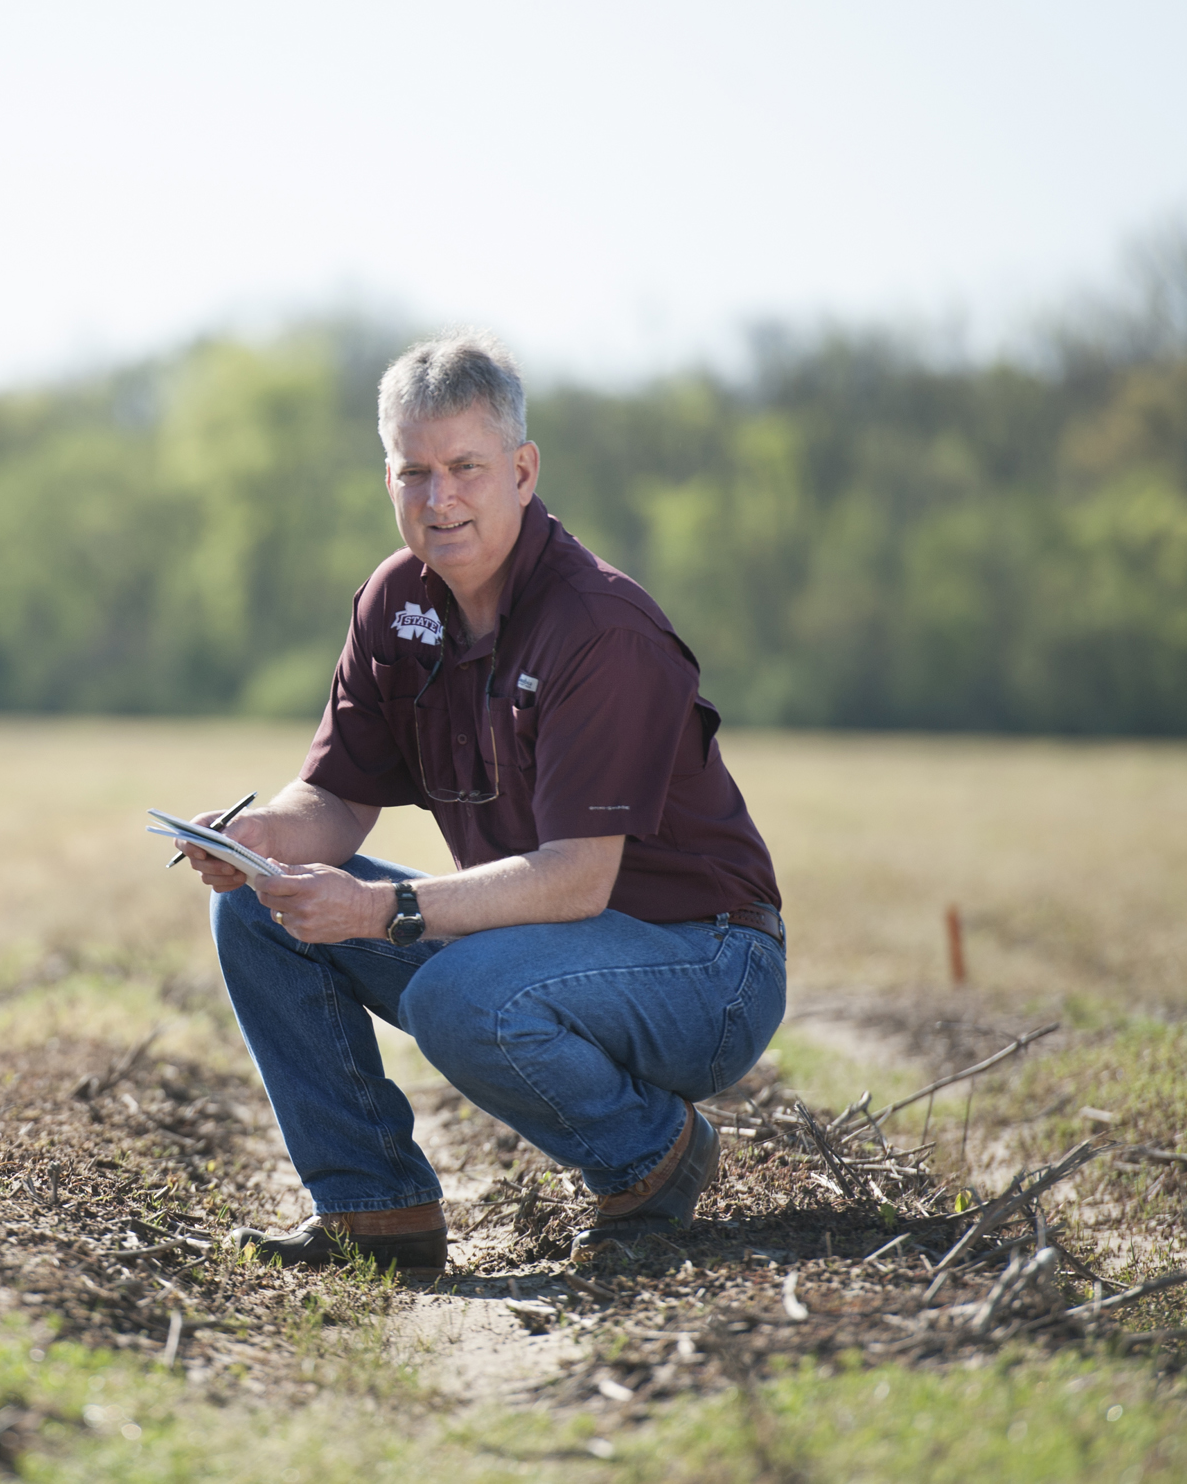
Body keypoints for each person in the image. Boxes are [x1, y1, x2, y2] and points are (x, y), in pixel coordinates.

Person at [175, 334, 785, 1273]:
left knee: (458, 995)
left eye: (465, 467)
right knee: (261, 913)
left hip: (704, 962)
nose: (440, 497)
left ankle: (651, 1159)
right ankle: (376, 1211)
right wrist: (258, 839)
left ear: (523, 470)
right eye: (414, 471)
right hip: (537, 939)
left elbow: (579, 880)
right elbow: (336, 798)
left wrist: (382, 909)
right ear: (389, 479)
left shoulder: (599, 627)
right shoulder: (396, 603)